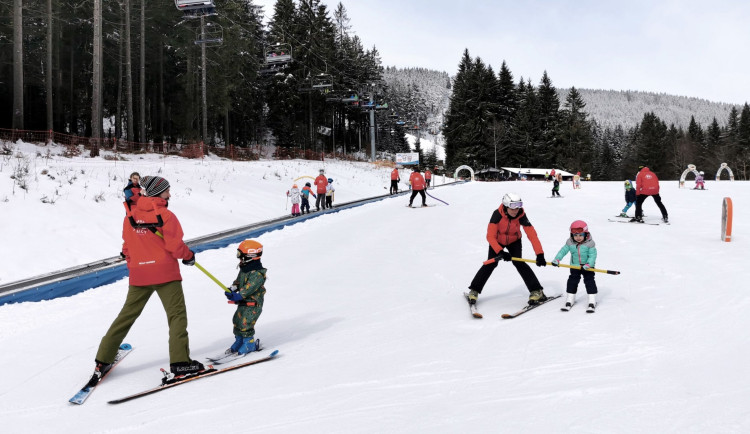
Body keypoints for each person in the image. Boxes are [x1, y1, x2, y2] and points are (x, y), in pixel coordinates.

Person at [92, 175, 202, 385]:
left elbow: (126, 247)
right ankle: (180, 362)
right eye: (166, 191)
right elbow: (175, 246)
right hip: (165, 274)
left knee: (126, 316)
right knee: (176, 316)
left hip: (139, 274)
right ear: (157, 193)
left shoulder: (130, 216)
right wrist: (189, 256)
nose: (169, 194)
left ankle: (102, 359)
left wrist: (135, 264)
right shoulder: (166, 215)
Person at [467, 193, 548, 306]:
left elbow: (532, 235)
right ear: (505, 206)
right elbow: (490, 236)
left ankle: (536, 290)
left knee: (519, 262)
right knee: (491, 263)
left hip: (514, 240)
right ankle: (474, 290)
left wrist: (540, 254)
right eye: (512, 207)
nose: (516, 210)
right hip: (497, 240)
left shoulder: (521, 215)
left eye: (518, 206)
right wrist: (500, 251)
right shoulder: (497, 214)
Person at [223, 240, 267, 355]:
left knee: (245, 323)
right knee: (237, 321)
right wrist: (232, 288)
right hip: (244, 303)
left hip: (253, 304)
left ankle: (249, 343)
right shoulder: (244, 269)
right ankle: (239, 340)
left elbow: (249, 287)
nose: (239, 259)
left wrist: (239, 295)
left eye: (240, 255)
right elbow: (239, 281)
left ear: (250, 256)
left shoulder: (257, 274)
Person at [552, 220, 598, 313]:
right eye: (575, 235)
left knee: (589, 281)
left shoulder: (590, 243)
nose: (578, 238)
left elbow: (593, 256)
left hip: (588, 267)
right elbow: (563, 251)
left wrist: (589, 264)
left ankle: (592, 300)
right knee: (572, 281)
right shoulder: (570, 242)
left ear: (586, 234)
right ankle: (570, 299)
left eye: (580, 235)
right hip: (575, 266)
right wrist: (557, 259)